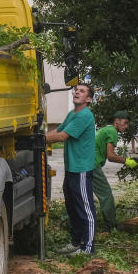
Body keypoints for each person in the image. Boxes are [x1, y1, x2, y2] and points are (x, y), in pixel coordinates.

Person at [46, 83, 97, 255]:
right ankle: (76, 242)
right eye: (76, 90)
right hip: (71, 168)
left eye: (82, 91)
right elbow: (57, 130)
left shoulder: (84, 115)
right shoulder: (72, 114)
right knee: (73, 207)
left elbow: (61, 136)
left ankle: (88, 248)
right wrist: (38, 137)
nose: (77, 92)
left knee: (85, 209)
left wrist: (37, 141)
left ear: (88, 99)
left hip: (81, 169)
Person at [93, 111, 138, 232]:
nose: (126, 126)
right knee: (106, 195)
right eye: (125, 123)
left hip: (86, 163)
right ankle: (111, 226)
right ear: (117, 121)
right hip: (92, 165)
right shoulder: (112, 131)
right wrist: (127, 161)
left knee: (85, 195)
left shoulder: (106, 130)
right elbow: (111, 156)